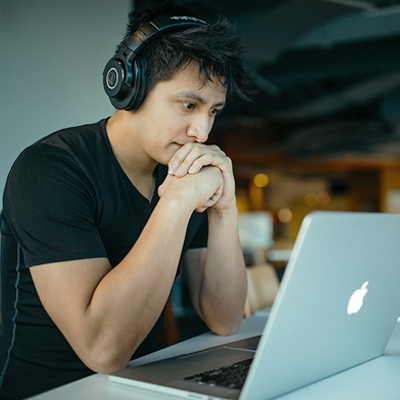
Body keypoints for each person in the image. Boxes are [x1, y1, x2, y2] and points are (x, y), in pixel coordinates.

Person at [0, 2, 252, 399]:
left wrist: (225, 209)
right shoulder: (50, 169)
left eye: (213, 111)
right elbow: (102, 348)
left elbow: (225, 319)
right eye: (189, 105)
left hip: (138, 387)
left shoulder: (182, 171)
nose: (202, 131)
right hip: (49, 391)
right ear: (130, 87)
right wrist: (175, 203)